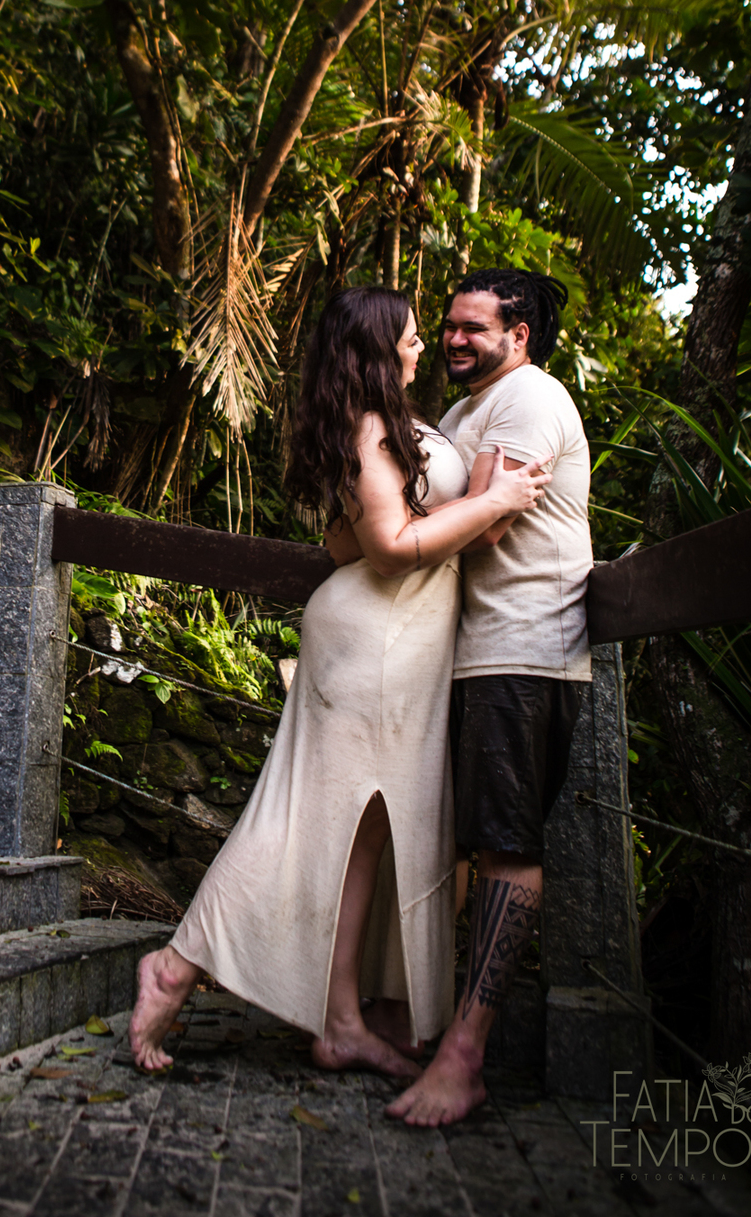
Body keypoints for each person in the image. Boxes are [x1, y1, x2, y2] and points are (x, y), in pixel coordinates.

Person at [128, 285, 551, 1076]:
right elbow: (390, 545)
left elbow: (346, 542)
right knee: (299, 825)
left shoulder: (381, 425)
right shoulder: (367, 425)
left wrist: (452, 507)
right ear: (379, 346)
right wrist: (496, 498)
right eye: (415, 337)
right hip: (376, 644)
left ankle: (341, 1019)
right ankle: (175, 966)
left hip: (392, 639)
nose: (424, 348)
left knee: (361, 834)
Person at [387, 267, 594, 1127]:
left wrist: (395, 527)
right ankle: (435, 1028)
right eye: (450, 326)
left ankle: (465, 1059)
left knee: (505, 848)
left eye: (476, 328)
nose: (455, 339)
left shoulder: (531, 401)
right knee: (462, 848)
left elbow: (487, 522)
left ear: (521, 336)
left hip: (524, 649)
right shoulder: (471, 413)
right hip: (467, 655)